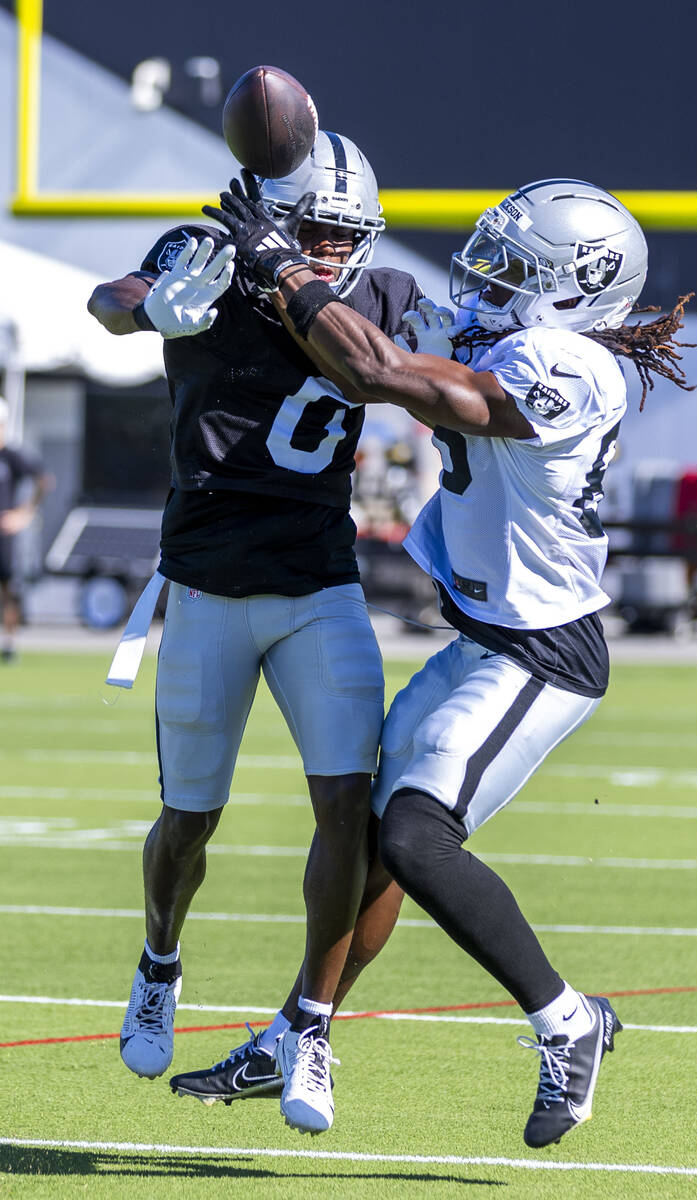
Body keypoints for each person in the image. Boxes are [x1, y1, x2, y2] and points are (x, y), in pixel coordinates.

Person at [207, 174, 694, 1147]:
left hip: (539, 653)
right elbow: (365, 353)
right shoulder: (497, 324)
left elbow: (396, 377)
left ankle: (568, 1021)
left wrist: (285, 269)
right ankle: (297, 1029)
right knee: (376, 841)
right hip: (481, 636)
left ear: (574, 286)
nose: (488, 273)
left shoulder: (570, 365)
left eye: (516, 265)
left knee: (418, 839)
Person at [87, 131, 420, 1135]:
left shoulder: (384, 294)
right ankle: (159, 962)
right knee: (188, 821)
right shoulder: (210, 253)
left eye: (342, 233)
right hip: (203, 584)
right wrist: (144, 307)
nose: (326, 249)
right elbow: (109, 301)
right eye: (311, 228)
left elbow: (421, 361)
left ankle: (310, 1026)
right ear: (272, 213)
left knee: (351, 813)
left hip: (316, 580)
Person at [0, 397, 53, 661]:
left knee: (9, 588)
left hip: (4, 536)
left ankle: (9, 644)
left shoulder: (11, 457)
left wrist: (24, 513)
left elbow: (43, 480)